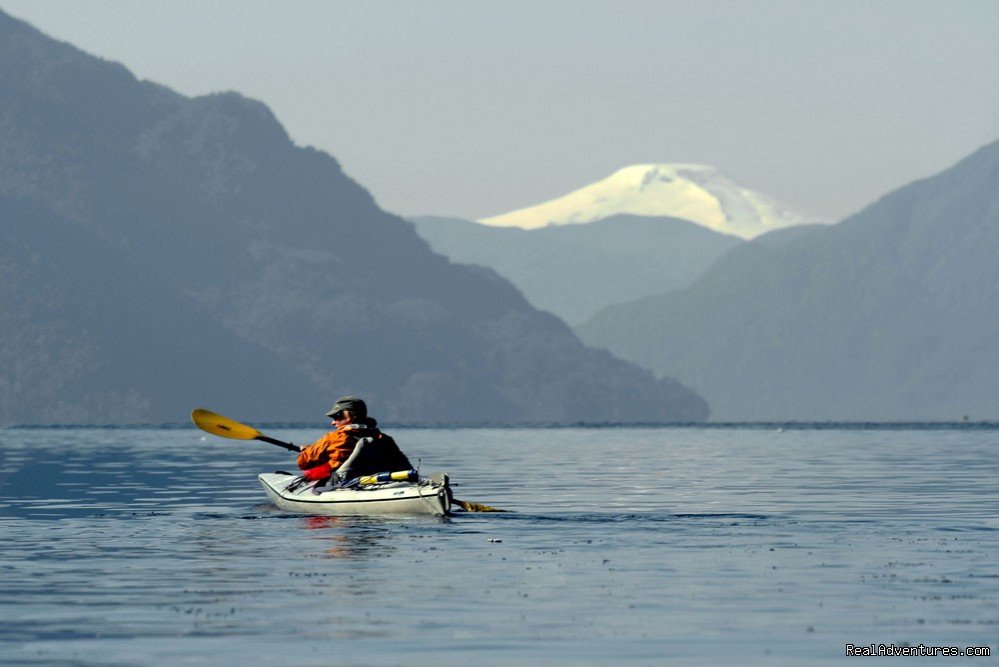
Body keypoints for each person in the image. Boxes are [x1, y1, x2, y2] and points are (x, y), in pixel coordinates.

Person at [296, 396, 412, 483]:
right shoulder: (384, 439)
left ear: (351, 416)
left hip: (346, 484)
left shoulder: (333, 438)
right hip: (381, 482)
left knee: (316, 472)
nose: (333, 422)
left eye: (337, 416)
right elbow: (405, 467)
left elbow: (303, 462)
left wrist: (306, 451)